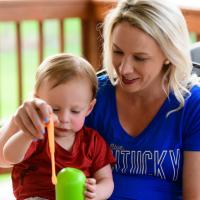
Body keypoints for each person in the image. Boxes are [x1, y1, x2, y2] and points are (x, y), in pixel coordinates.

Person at [1, 0, 200, 199]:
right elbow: (4, 158)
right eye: (117, 52)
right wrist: (24, 119)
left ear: (169, 54)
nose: (124, 69)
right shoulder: (91, 93)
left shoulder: (193, 106)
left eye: (140, 57)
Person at [1, 53, 115, 200]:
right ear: (38, 102)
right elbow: (10, 156)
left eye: (75, 111)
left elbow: (106, 179)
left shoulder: (92, 141)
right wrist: (27, 134)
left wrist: (97, 192)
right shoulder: (38, 135)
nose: (64, 118)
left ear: (89, 108)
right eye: (54, 109)